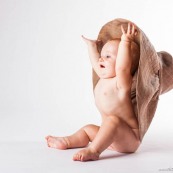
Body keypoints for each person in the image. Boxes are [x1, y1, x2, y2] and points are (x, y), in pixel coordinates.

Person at [45, 23, 141, 161]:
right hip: (109, 137)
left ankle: (93, 150)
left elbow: (122, 68)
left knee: (112, 121)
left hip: (128, 139)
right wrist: (92, 46)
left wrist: (126, 41)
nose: (101, 59)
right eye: (102, 56)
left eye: (108, 56)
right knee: (88, 129)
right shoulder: (104, 77)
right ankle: (67, 141)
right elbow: (96, 63)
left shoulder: (121, 83)